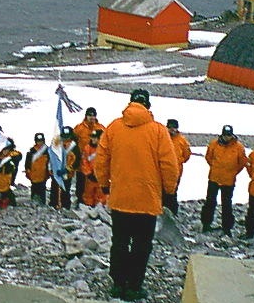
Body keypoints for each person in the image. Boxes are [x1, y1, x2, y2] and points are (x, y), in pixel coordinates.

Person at [95, 89, 178, 301]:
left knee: (120, 241)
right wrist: (169, 190)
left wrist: (104, 184)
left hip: (121, 198)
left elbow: (101, 159)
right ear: (148, 106)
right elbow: (169, 164)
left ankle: (117, 284)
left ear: (130, 103)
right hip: (147, 200)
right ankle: (134, 286)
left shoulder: (113, 127)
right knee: (142, 244)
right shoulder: (159, 131)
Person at [200, 124, 247, 237]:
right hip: (214, 178)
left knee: (227, 204)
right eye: (225, 135)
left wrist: (232, 172)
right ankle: (206, 224)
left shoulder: (238, 147)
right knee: (210, 202)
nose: (227, 137)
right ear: (222, 134)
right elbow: (208, 157)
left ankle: (227, 228)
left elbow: (242, 162)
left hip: (228, 181)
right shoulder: (214, 144)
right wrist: (215, 167)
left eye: (229, 135)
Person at [73, 107, 106, 207]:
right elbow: (73, 142)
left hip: (96, 162)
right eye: (90, 115)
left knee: (97, 185)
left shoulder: (101, 128)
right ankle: (80, 202)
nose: (91, 117)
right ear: (86, 116)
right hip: (82, 161)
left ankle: (97, 205)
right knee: (81, 184)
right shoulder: (79, 128)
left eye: (93, 115)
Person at [162, 119, 192, 215]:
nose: (172, 130)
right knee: (161, 193)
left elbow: (187, 155)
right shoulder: (162, 138)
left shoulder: (182, 141)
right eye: (170, 127)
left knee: (172, 193)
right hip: (162, 171)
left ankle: (173, 214)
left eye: (174, 127)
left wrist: (178, 162)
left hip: (176, 172)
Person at [49, 126, 81, 210]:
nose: (66, 138)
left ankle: (65, 206)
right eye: (64, 136)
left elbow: (77, 161)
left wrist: (67, 169)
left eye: (68, 136)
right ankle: (53, 204)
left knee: (65, 190)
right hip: (57, 171)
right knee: (54, 189)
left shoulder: (74, 147)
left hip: (67, 173)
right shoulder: (56, 145)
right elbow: (51, 157)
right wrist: (51, 168)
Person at [81, 129, 107, 207]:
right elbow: (84, 162)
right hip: (91, 177)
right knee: (88, 194)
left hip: (101, 177)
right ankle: (88, 209)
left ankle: (99, 209)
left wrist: (103, 174)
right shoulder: (87, 148)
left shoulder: (105, 149)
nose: (93, 139)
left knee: (101, 195)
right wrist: (88, 173)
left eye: (95, 138)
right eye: (92, 137)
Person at [25, 133, 50, 205]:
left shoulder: (47, 151)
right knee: (34, 188)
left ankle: (42, 202)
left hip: (43, 175)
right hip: (33, 174)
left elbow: (49, 163)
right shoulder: (31, 152)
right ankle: (33, 200)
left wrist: (48, 173)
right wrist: (28, 171)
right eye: (38, 141)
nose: (40, 143)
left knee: (42, 188)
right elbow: (27, 164)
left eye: (41, 141)